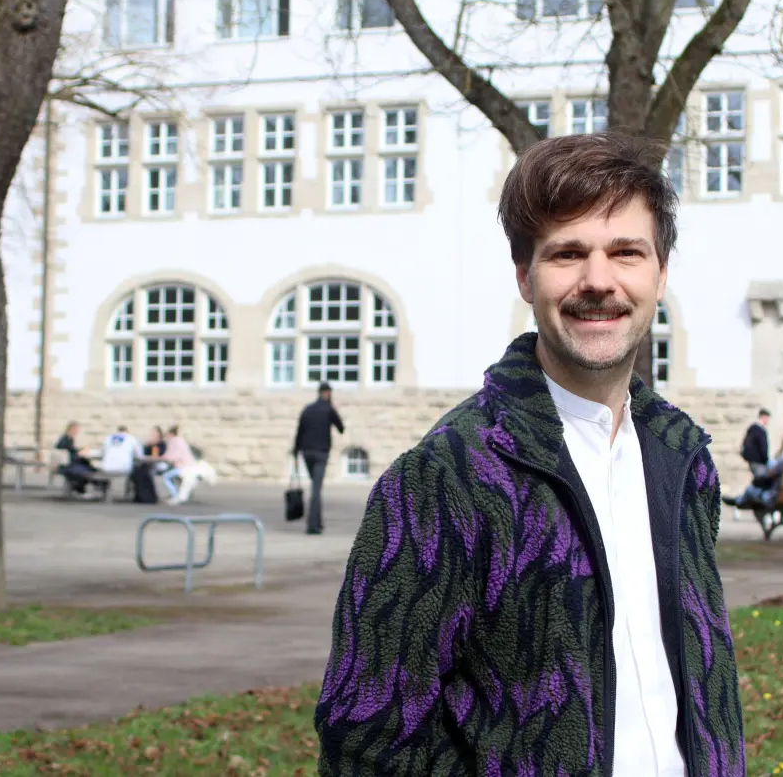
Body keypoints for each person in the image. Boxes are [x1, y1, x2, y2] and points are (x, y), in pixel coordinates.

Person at [316, 133, 742, 775]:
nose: (599, 281)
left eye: (625, 252)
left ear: (660, 271)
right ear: (525, 275)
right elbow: (367, 738)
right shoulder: (444, 479)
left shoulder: (683, 461)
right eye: (567, 254)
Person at [292, 382, 345, 535]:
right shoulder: (329, 409)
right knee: (316, 489)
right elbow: (341, 428)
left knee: (316, 486)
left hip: (306, 452)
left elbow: (299, 432)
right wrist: (334, 409)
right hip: (321, 453)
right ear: (328, 393)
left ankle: (318, 521)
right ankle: (312, 525)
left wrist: (295, 452)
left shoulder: (307, 409)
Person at [99, 425, 145, 503]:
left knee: (103, 471)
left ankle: (106, 496)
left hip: (107, 468)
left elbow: (102, 453)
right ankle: (128, 494)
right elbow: (140, 456)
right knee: (137, 469)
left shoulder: (108, 438)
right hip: (124, 468)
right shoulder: (132, 438)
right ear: (126, 431)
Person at [54, 421, 97, 496]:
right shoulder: (66, 439)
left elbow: (71, 450)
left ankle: (81, 489)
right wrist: (80, 453)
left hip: (68, 463)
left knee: (89, 467)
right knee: (86, 470)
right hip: (66, 464)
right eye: (77, 429)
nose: (78, 431)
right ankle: (80, 490)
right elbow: (68, 452)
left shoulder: (67, 438)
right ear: (72, 429)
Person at [158, 425, 196, 503]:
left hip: (184, 467)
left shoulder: (174, 441)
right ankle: (178, 494)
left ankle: (175, 495)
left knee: (166, 476)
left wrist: (161, 458)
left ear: (170, 434)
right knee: (174, 477)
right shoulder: (180, 440)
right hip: (188, 466)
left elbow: (171, 456)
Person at [740, 408, 771, 488]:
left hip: (752, 461)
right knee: (761, 482)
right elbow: (763, 447)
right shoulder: (760, 430)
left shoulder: (752, 428)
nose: (768, 421)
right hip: (759, 461)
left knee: (758, 481)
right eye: (767, 418)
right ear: (764, 417)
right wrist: (766, 460)